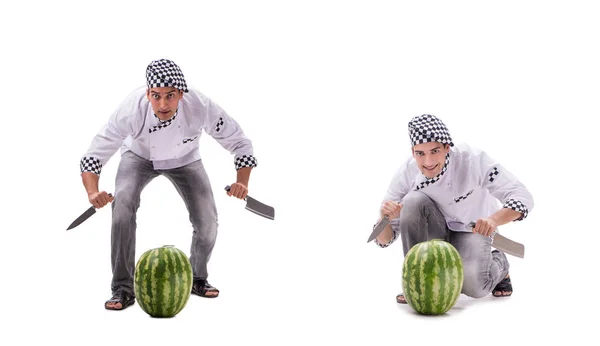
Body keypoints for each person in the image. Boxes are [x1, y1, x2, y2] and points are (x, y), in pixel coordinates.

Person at [79, 59, 258, 310]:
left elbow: (240, 143)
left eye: (170, 96)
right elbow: (94, 155)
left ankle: (197, 278)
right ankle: (122, 288)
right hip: (138, 157)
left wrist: (242, 182)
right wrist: (93, 191)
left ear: (181, 94)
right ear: (148, 94)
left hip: (185, 160)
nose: (163, 104)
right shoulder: (131, 111)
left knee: (207, 220)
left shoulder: (200, 106)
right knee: (122, 208)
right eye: (156, 96)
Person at [373, 114, 533, 304]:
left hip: (472, 231)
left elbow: (521, 196)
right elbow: (384, 240)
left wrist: (493, 220)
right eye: (420, 153)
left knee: (474, 286)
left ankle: (499, 262)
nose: (428, 161)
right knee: (413, 200)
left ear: (447, 147)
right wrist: (384, 218)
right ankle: (416, 283)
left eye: (435, 151)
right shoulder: (407, 174)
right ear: (413, 152)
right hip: (434, 232)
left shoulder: (473, 160)